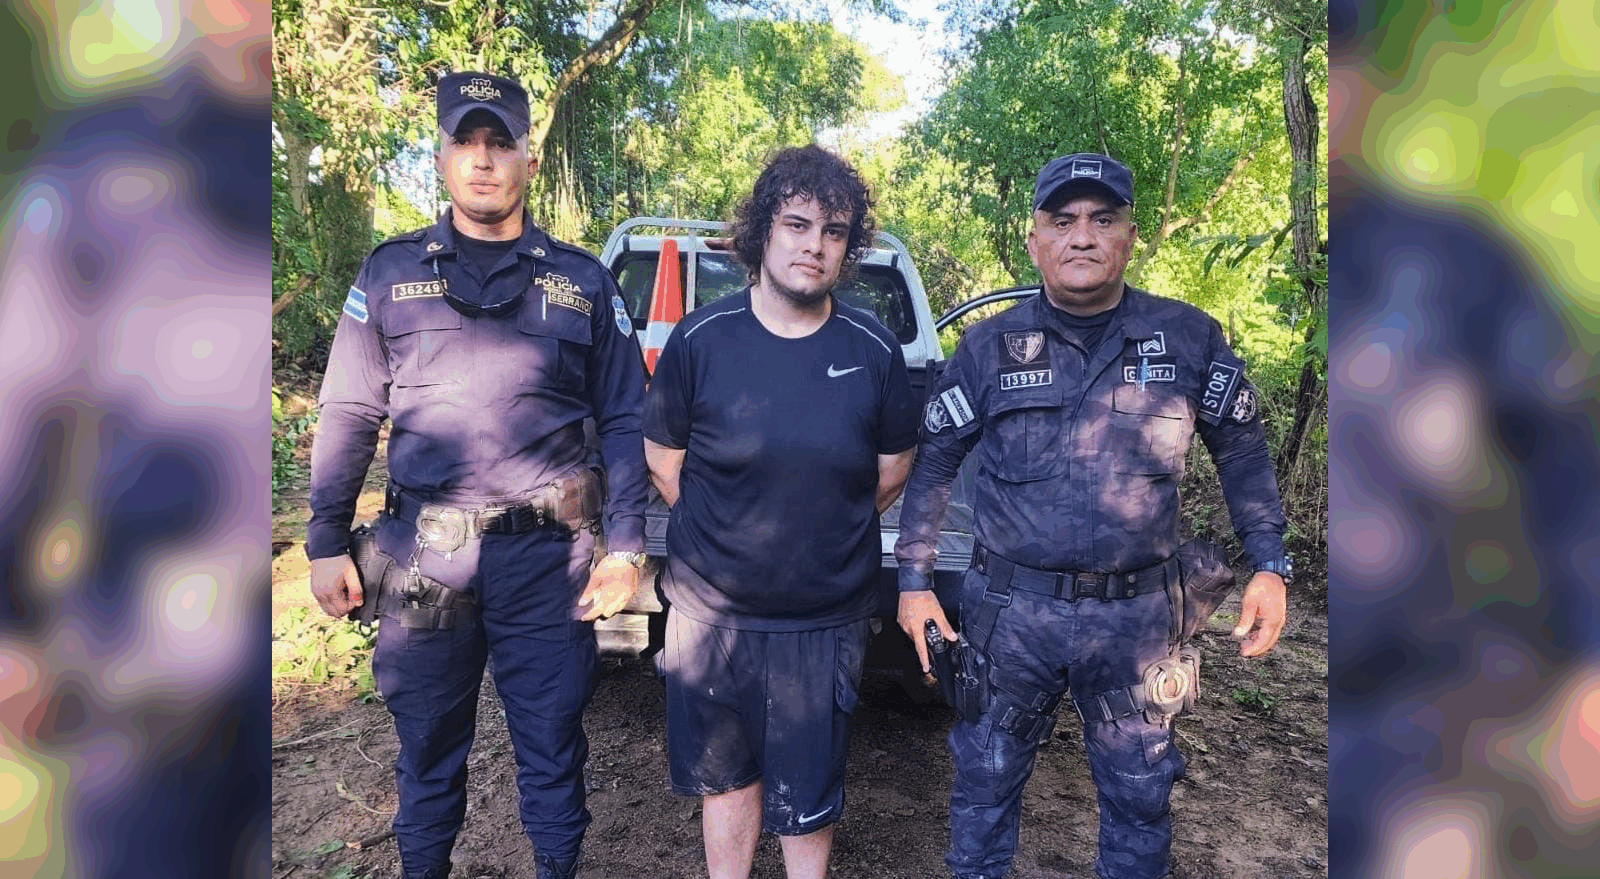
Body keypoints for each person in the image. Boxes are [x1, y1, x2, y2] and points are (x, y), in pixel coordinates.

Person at [894, 153, 1291, 879]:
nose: (1083, 236)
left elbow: (1242, 452)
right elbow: (934, 465)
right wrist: (913, 580)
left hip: (1137, 621)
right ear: (1034, 239)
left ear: (1131, 236)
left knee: (1140, 797)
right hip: (1009, 618)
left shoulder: (1187, 340)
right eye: (1064, 220)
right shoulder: (987, 348)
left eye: (1102, 220)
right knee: (983, 786)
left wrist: (1270, 564)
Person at [304, 71, 650, 879]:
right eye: (468, 142)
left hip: (548, 562)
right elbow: (349, 411)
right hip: (426, 558)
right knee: (427, 752)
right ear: (442, 156)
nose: (485, 160)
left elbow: (629, 416)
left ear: (529, 158)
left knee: (553, 747)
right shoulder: (389, 275)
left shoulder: (582, 282)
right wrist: (324, 541)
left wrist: (625, 543)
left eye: (502, 143)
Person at [642, 145, 919, 879]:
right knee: (726, 781)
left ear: (848, 246)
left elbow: (892, 471)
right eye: (797, 224)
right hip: (713, 613)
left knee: (810, 793)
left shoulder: (872, 348)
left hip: (822, 617)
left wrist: (816, 525)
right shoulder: (701, 339)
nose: (814, 245)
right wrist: (729, 526)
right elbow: (664, 459)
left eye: (833, 231)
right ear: (762, 230)